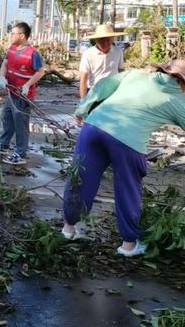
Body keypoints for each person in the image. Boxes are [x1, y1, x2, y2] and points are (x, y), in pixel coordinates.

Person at [62, 60, 185, 257]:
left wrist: (83, 108)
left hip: (93, 127)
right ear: (181, 81)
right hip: (127, 142)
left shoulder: (136, 74)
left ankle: (68, 229)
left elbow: (102, 85)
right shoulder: (176, 98)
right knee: (127, 187)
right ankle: (128, 245)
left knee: (81, 179)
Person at [0, 22, 45, 165]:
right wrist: (2, 77)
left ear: (22, 35)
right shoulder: (11, 49)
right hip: (11, 92)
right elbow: (5, 64)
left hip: (23, 96)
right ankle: (4, 145)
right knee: (7, 118)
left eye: (13, 33)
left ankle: (20, 153)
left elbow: (40, 71)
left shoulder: (33, 54)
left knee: (21, 125)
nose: (10, 35)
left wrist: (27, 85)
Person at [79, 24, 125, 98]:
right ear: (95, 40)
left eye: (108, 40)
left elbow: (121, 72)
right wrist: (82, 101)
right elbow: (83, 78)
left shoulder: (118, 52)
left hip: (112, 93)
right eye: (102, 40)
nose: (105, 43)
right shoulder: (88, 54)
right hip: (93, 92)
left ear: (112, 38)